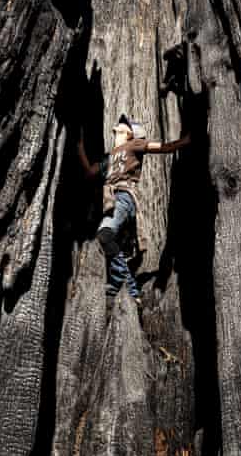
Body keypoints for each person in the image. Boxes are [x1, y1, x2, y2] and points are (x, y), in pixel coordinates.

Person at [77, 114, 190, 310]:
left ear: (130, 134)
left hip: (124, 197)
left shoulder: (134, 145)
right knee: (114, 246)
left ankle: (120, 286)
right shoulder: (109, 157)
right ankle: (133, 293)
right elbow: (89, 172)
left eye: (120, 128)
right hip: (111, 201)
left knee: (104, 235)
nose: (115, 130)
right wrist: (79, 147)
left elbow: (163, 147)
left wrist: (186, 140)